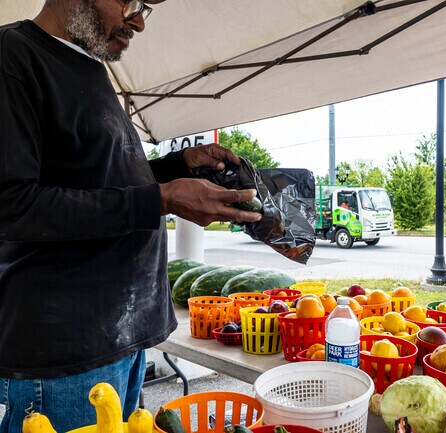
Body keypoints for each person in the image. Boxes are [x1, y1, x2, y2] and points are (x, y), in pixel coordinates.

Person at [0, 1, 262, 431]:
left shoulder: (90, 67)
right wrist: (162, 199)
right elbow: (11, 203)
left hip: (123, 333)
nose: (138, 21)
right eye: (129, 1)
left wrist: (177, 166)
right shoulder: (14, 55)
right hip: (66, 353)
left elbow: (102, 180)